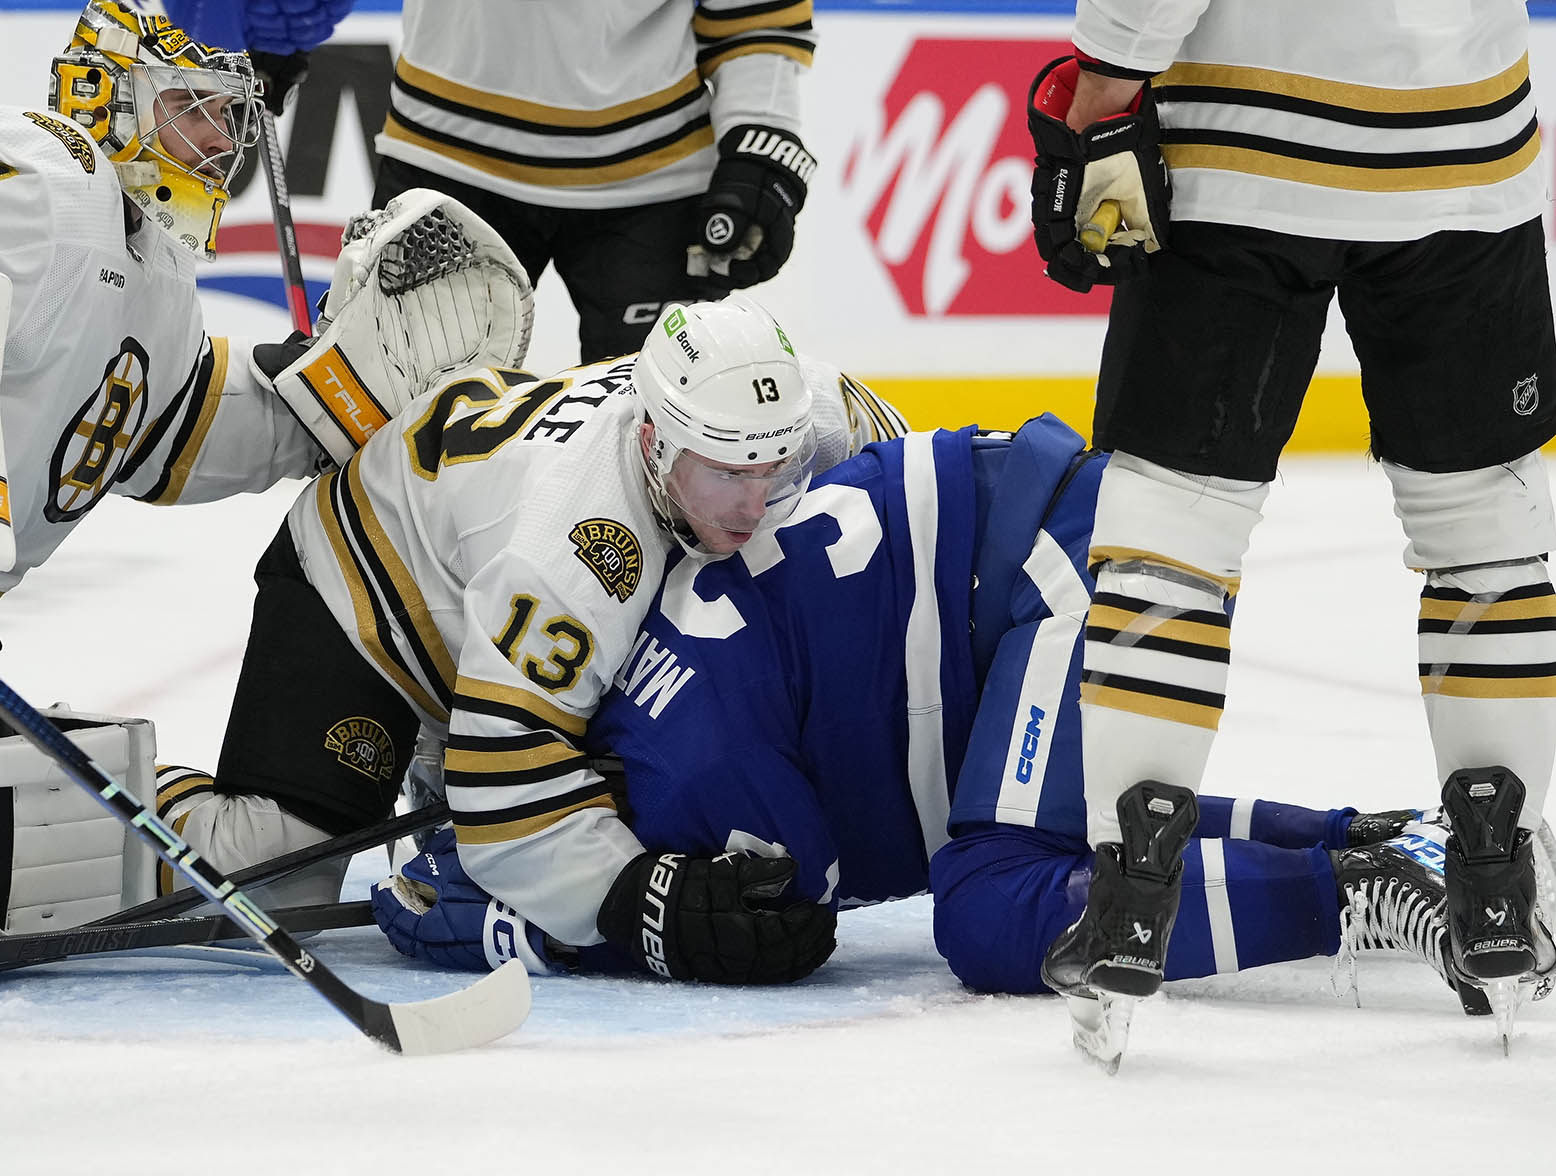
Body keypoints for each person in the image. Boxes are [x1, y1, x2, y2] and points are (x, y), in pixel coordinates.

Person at [370, 416, 1553, 1064]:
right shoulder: (642, 695)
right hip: (1039, 556)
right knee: (1041, 846)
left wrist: (564, 927)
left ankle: (1354, 894)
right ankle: (1394, 840)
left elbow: (786, 921)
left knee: (988, 909)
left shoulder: (681, 772)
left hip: (1060, 571)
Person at [1022, 1, 1556, 1047]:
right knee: (1481, 519)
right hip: (1464, 146)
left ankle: (1130, 893)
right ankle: (1498, 874)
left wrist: (1105, 77)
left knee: (1176, 512)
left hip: (1239, 149)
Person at [146, 294, 906, 984]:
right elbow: (504, 782)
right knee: (275, 875)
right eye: (726, 474)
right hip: (366, 580)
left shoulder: (817, 411)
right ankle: (114, 782)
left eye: (775, 466)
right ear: (654, 441)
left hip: (480, 551)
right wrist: (648, 907)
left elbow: (931, 510)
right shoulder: (577, 548)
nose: (756, 501)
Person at [1, 0, 326, 597]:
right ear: (102, 97)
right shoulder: (43, 177)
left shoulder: (160, 257)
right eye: (189, 104)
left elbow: (170, 431)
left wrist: (327, 404)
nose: (220, 138)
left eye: (229, 111)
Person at [371, 0, 820, 363]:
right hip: (448, 165)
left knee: (663, 437)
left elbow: (757, 15)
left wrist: (760, 144)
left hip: (656, 183)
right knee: (403, 426)